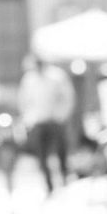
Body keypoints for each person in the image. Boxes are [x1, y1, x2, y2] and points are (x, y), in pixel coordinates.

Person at [18, 53, 75, 192]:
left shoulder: (57, 76)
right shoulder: (29, 79)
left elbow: (68, 98)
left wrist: (61, 116)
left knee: (61, 152)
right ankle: (49, 185)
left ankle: (64, 179)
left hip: (55, 121)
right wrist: (28, 119)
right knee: (42, 155)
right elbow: (24, 101)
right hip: (38, 122)